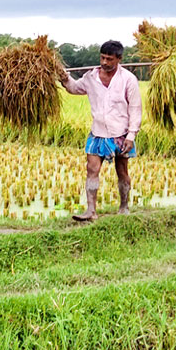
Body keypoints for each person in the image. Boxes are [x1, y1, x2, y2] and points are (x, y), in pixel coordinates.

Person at [56, 40, 142, 221]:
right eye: (102, 58)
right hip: (98, 133)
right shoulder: (90, 77)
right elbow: (74, 88)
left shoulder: (128, 79)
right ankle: (91, 211)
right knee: (91, 169)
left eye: (109, 59)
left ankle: (124, 207)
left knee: (122, 170)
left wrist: (131, 135)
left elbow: (135, 108)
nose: (104, 62)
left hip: (121, 134)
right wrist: (64, 78)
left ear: (119, 59)